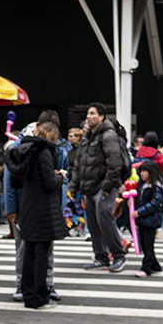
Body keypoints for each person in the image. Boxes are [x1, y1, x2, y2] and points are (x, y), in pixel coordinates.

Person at [5, 121, 68, 309]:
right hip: (43, 208)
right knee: (41, 253)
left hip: (28, 205)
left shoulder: (26, 150)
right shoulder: (44, 152)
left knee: (29, 253)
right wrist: (61, 176)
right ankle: (39, 297)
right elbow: (49, 183)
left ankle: (27, 293)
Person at [68, 103, 129, 272]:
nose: (88, 116)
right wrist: (73, 186)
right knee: (93, 223)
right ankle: (101, 257)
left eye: (92, 114)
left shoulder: (108, 136)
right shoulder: (88, 137)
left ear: (101, 117)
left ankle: (118, 255)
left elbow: (114, 164)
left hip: (104, 186)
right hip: (90, 187)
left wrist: (108, 186)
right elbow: (80, 163)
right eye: (88, 113)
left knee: (104, 218)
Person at [129, 160, 163, 278]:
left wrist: (139, 212)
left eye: (145, 171)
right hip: (143, 220)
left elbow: (155, 203)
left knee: (148, 244)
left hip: (150, 220)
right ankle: (154, 265)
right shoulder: (143, 186)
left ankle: (146, 268)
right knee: (146, 244)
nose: (142, 174)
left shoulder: (156, 187)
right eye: (141, 171)